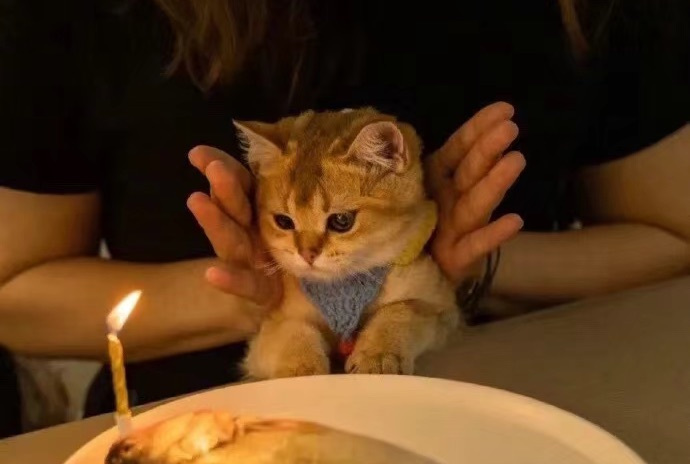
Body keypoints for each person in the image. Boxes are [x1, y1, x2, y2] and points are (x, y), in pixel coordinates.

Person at [0, 0, 688, 418]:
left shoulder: (594, 15)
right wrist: (256, 296)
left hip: (526, 411)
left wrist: (455, 264)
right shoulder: (78, 19)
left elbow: (673, 240)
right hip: (191, 427)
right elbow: (14, 294)